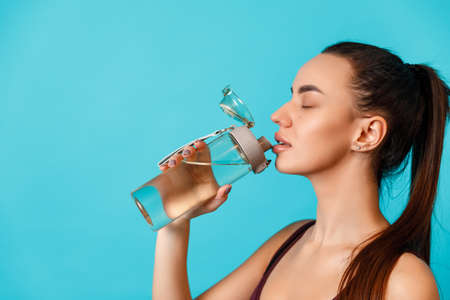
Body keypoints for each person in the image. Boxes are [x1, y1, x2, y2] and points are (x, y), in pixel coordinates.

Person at [152, 41, 449, 300]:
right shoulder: (288, 241)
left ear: (366, 134)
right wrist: (176, 223)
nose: (278, 115)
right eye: (291, 96)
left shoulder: (404, 283)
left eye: (307, 103)